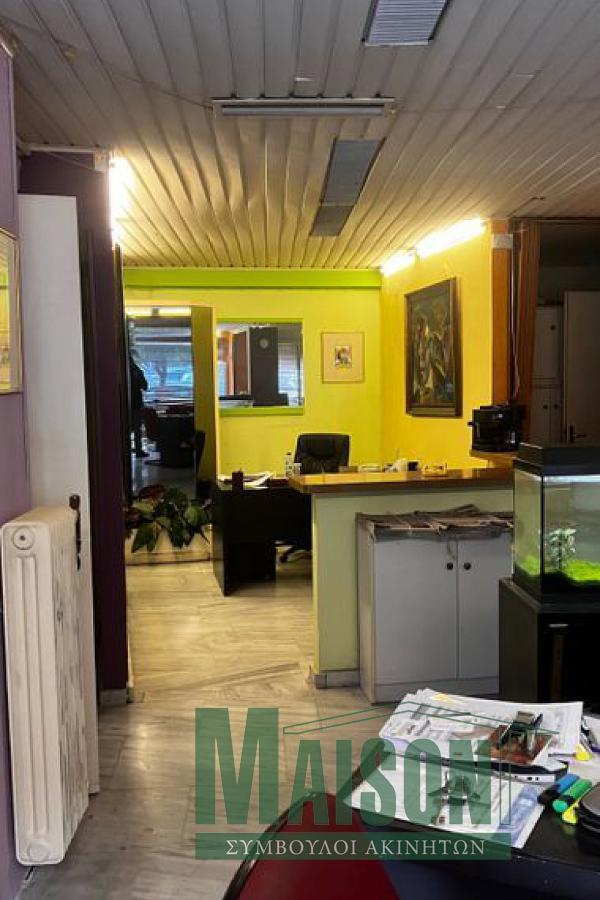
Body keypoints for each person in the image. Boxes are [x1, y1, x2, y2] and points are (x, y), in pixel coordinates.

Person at [130, 354, 148, 458]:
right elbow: (145, 386)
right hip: (136, 403)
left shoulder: (120, 371)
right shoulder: (137, 371)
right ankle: (138, 450)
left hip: (125, 405)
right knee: (137, 429)